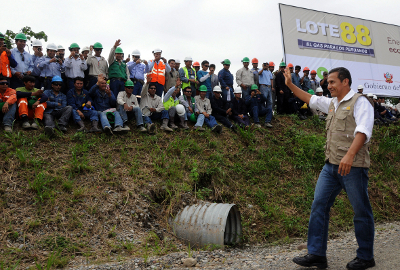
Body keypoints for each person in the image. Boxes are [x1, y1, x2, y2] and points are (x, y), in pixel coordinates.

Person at [284, 67, 375, 270]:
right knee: (319, 206)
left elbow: (363, 130)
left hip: (354, 168)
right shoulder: (332, 103)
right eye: (328, 82)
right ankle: (316, 254)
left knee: (361, 211)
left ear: (345, 82)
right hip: (331, 167)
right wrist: (290, 85)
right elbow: (309, 98)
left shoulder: (360, 103)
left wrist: (350, 156)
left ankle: (366, 256)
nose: (328, 85)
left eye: (332, 82)